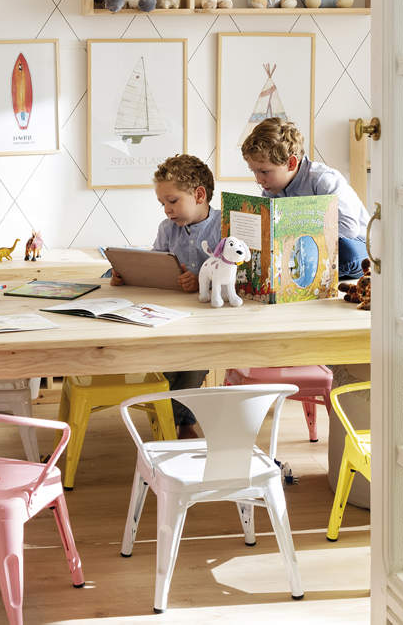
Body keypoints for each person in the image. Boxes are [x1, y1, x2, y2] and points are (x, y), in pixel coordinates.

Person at [110, 153, 221, 439]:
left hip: (207, 318)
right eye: (162, 204)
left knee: (194, 369)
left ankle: (182, 422)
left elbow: (236, 271)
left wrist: (201, 282)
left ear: (199, 194)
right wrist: (126, 274)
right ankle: (170, 420)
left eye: (172, 201)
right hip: (169, 314)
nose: (167, 210)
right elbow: (156, 265)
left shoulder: (224, 225)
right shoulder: (167, 229)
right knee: (168, 370)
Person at [241, 118, 370, 279]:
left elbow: (349, 228)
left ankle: (307, 273)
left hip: (357, 243)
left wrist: (302, 239)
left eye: (265, 172)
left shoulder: (322, 179)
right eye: (254, 172)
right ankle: (306, 273)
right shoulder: (271, 189)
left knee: (346, 252)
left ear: (291, 163)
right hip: (309, 250)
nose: (259, 180)